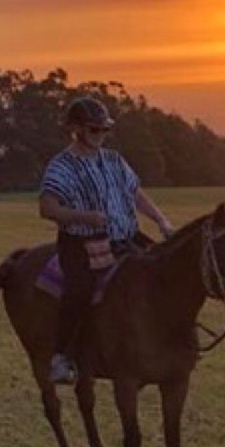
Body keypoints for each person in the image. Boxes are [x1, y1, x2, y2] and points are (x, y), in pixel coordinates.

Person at [38, 96, 175, 385]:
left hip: (125, 236)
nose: (100, 135)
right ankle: (61, 357)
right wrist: (84, 217)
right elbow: (47, 208)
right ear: (75, 129)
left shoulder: (114, 160)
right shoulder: (62, 166)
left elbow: (135, 193)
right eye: (94, 129)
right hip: (81, 243)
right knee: (79, 290)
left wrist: (161, 220)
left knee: (163, 271)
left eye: (104, 130)